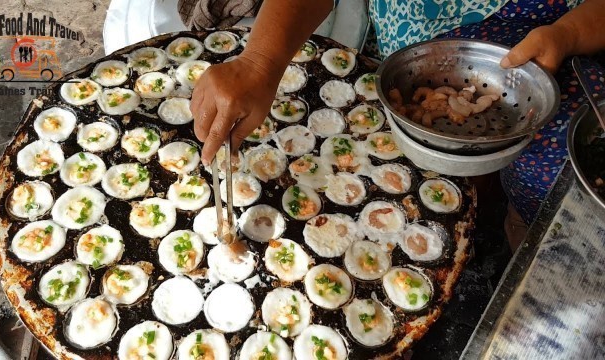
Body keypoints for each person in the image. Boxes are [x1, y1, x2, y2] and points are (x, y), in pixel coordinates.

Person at [190, 0, 605, 248]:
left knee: (560, 198)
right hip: (403, 62)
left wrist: (568, 33)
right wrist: (260, 62)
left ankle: (520, 229)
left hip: (551, 49)